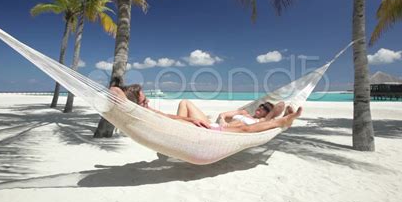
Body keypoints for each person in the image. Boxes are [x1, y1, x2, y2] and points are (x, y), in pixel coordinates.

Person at [109, 83, 302, 133]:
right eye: (144, 101)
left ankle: (280, 120)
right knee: (244, 127)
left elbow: (280, 104)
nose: (148, 102)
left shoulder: (145, 112)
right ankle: (283, 121)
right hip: (209, 129)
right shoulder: (144, 113)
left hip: (208, 129)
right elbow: (115, 90)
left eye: (146, 100)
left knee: (185, 102)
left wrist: (190, 120)